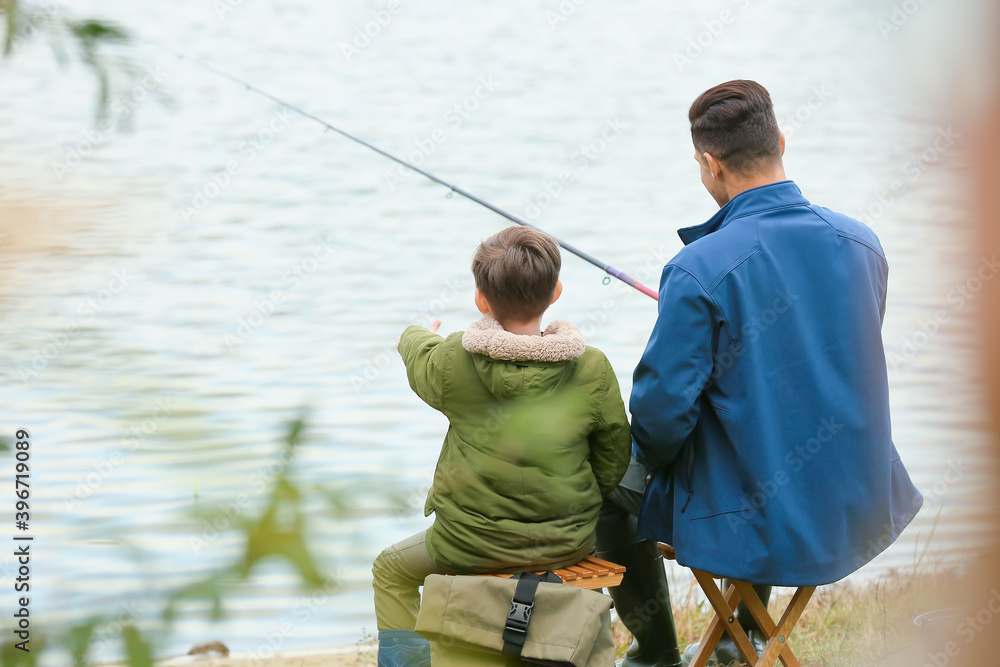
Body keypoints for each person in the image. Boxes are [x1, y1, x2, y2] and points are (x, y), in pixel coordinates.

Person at [597, 79, 924, 666]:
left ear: (708, 162)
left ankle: (655, 652)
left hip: (764, 514)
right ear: (780, 139)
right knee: (762, 427)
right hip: (858, 498)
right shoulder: (863, 243)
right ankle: (737, 635)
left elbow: (660, 416)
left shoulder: (698, 268)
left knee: (610, 489)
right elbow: (826, 357)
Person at [372, 225, 632, 667]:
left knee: (390, 570)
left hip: (467, 544)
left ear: (480, 299)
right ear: (556, 292)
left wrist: (411, 335)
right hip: (565, 541)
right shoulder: (591, 367)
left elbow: (421, 361)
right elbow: (614, 459)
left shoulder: (456, 359)